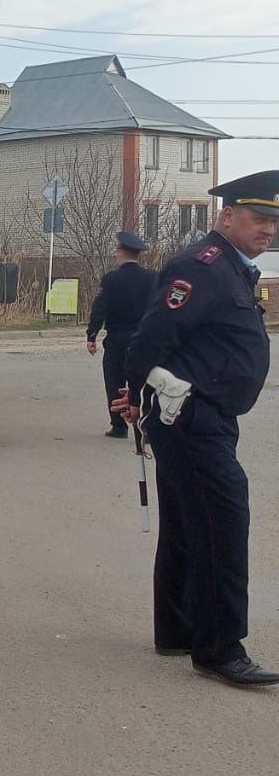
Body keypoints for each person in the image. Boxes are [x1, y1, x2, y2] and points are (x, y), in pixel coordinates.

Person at [114, 170, 279, 688]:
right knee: (223, 522)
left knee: (188, 523)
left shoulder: (235, 268)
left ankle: (178, 630)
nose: (269, 231)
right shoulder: (203, 267)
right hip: (188, 414)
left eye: (274, 223)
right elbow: (152, 337)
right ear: (227, 216)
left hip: (204, 414)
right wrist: (139, 393)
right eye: (259, 219)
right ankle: (219, 649)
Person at [86, 231, 155, 438]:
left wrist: (92, 335)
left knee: (115, 382)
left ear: (122, 252)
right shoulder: (152, 279)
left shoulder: (111, 280)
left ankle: (119, 426)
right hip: (144, 341)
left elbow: (100, 309)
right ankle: (148, 427)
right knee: (146, 383)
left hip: (117, 340)